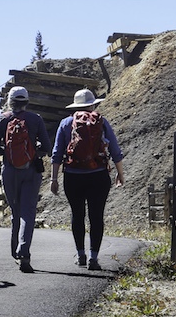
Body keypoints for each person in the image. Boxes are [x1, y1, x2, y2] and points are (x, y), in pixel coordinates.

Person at [50, 88, 126, 271]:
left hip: (73, 176)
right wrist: (120, 173)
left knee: (77, 215)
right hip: (98, 175)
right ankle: (94, 257)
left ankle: (81, 254)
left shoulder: (66, 123)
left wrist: (54, 179)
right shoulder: (101, 122)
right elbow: (115, 150)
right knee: (96, 216)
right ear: (93, 105)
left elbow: (56, 153)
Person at [0, 86, 51, 273]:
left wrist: (10, 155)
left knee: (16, 210)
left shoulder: (1, 119)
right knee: (28, 212)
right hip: (31, 171)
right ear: (26, 101)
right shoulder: (36, 119)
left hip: (9, 171)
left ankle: (15, 251)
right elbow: (47, 146)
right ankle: (23, 252)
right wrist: (33, 153)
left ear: (10, 102)